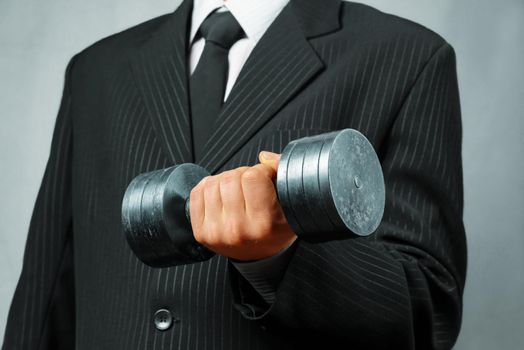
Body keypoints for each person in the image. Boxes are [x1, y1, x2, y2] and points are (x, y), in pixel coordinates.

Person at [2, 0, 467, 349]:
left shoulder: (409, 57)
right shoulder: (94, 70)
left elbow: (428, 318)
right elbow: (45, 300)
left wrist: (276, 259)